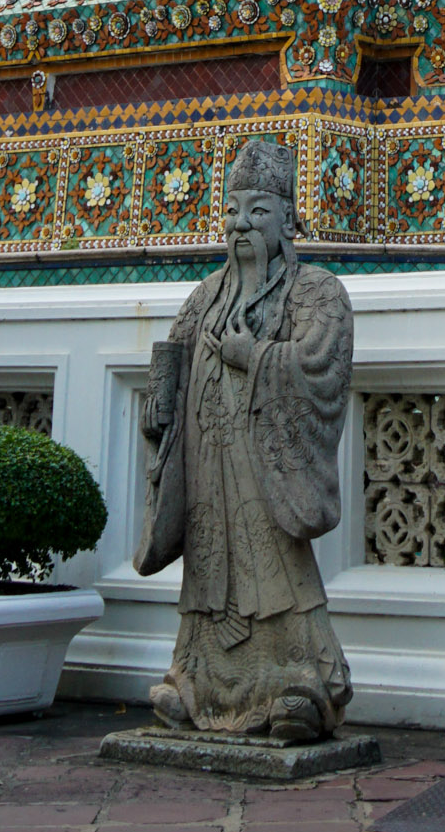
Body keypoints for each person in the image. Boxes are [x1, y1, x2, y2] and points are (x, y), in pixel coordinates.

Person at [135, 137, 355, 741]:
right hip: (208, 460)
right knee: (210, 570)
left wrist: (251, 356)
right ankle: (194, 683)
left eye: (258, 212)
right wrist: (159, 410)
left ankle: (303, 687)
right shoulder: (205, 296)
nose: (240, 225)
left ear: (287, 220)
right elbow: (172, 358)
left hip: (270, 465)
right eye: (233, 211)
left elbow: (321, 364)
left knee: (276, 570)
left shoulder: (318, 292)